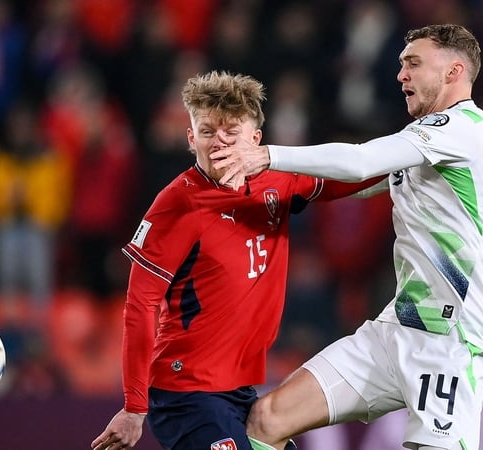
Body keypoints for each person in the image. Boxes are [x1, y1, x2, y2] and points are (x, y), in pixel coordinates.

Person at [211, 24, 483, 450]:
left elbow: (360, 161)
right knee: (267, 418)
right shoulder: (425, 143)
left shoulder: (464, 129)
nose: (401, 75)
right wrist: (260, 188)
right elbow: (348, 181)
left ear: (453, 71)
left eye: (413, 63)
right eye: (401, 64)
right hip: (399, 327)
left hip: (454, 339)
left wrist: (266, 156)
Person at [90, 70, 385, 450]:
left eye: (231, 131)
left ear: (256, 139)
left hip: (241, 391)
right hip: (186, 393)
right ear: (191, 138)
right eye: (207, 131)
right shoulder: (176, 205)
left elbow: (356, 175)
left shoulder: (277, 182)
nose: (219, 142)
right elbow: (140, 305)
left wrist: (415, 159)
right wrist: (134, 407)